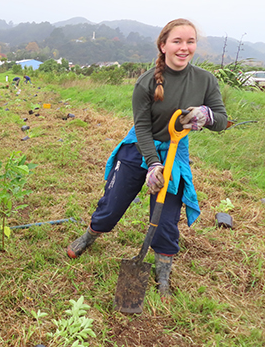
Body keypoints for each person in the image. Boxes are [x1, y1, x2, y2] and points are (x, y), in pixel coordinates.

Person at [66, 18, 227, 297]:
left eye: (190, 41)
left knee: (165, 218)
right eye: (177, 41)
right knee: (112, 206)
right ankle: (91, 235)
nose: (184, 47)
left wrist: (208, 115)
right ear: (163, 45)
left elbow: (223, 121)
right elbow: (141, 128)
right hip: (138, 148)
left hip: (175, 152)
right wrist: (153, 164)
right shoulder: (146, 82)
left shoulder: (205, 80)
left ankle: (162, 271)